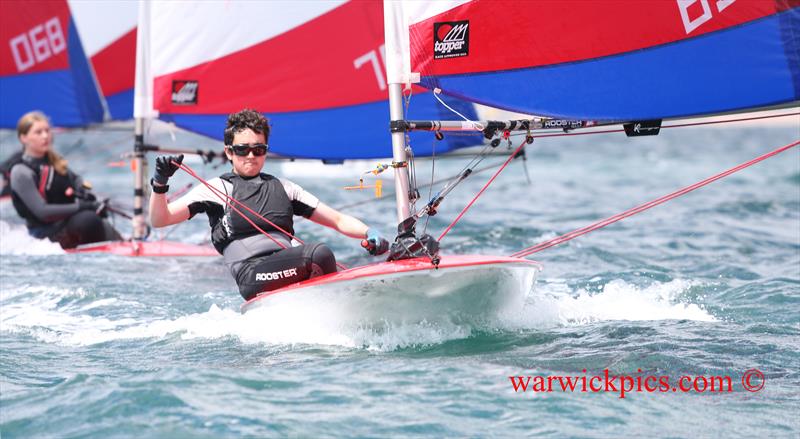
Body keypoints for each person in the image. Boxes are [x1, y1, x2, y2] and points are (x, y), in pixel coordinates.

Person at [149, 109, 390, 300]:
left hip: (289, 267)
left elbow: (337, 220)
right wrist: (160, 184)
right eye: (243, 149)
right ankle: (336, 306)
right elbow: (161, 219)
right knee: (320, 254)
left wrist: (369, 232)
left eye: (259, 149)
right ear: (229, 152)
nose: (251, 156)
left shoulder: (285, 188)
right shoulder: (217, 189)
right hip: (252, 276)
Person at [9, 111, 122, 249]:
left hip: (67, 224)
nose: (45, 136)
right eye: (38, 132)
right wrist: (83, 206)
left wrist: (88, 196)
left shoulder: (56, 162)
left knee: (94, 217)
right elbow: (42, 212)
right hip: (44, 235)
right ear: (23, 138)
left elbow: (77, 181)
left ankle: (124, 243)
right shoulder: (21, 171)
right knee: (88, 220)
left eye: (47, 131)